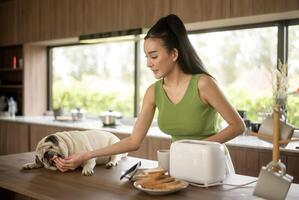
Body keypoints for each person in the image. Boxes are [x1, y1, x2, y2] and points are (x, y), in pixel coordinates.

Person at [54, 14, 245, 172]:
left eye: (154, 56)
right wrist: (86, 156)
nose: (148, 63)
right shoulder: (153, 92)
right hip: (180, 166)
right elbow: (133, 141)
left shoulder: (203, 84)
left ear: (174, 54)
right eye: (146, 57)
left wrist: (194, 148)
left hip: (212, 165)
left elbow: (237, 126)